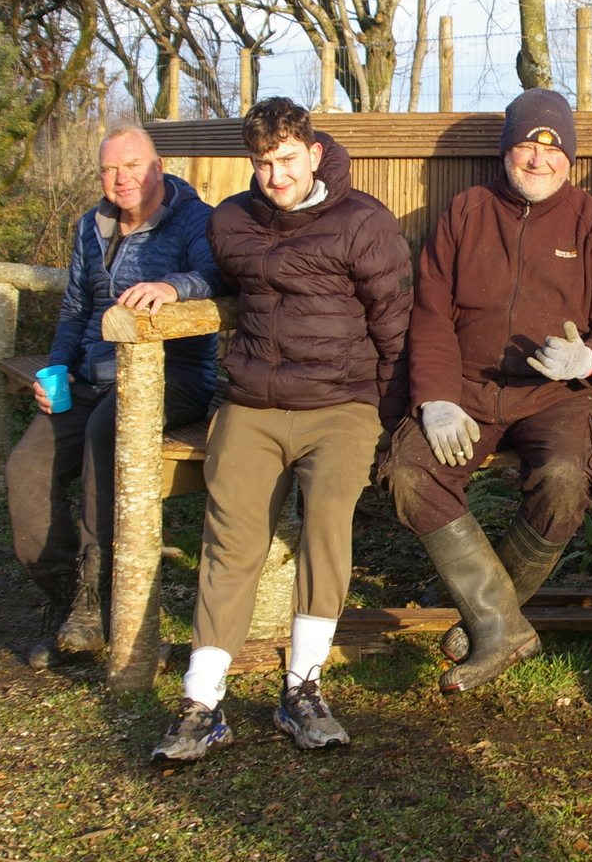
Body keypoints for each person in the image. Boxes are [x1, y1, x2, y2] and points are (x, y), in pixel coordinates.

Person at [152, 98, 412, 762]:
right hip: (253, 404)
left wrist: (392, 415)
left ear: (314, 153)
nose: (277, 175)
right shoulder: (231, 220)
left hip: (340, 403)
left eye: (288, 159)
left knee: (327, 520)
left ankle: (303, 688)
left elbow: (395, 324)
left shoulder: (364, 222)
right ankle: (201, 703)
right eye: (264, 163)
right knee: (230, 537)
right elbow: (214, 275)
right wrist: (177, 288)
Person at [383, 88, 592, 694]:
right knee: (410, 471)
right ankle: (502, 626)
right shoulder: (465, 212)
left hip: (558, 394)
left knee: (565, 479)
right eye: (525, 146)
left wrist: (590, 357)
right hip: (466, 385)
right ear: (505, 152)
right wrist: (435, 396)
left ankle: (491, 620)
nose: (539, 160)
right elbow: (430, 312)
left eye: (553, 149)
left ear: (570, 159)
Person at [6, 126, 221, 670]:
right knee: (25, 469)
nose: (121, 178)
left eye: (132, 165)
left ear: (158, 167)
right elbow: (76, 308)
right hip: (91, 376)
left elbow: (217, 274)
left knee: (107, 436)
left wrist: (173, 287)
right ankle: (70, 606)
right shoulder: (91, 226)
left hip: (173, 377)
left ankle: (94, 606)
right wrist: (58, 366)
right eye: (109, 168)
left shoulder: (194, 219)